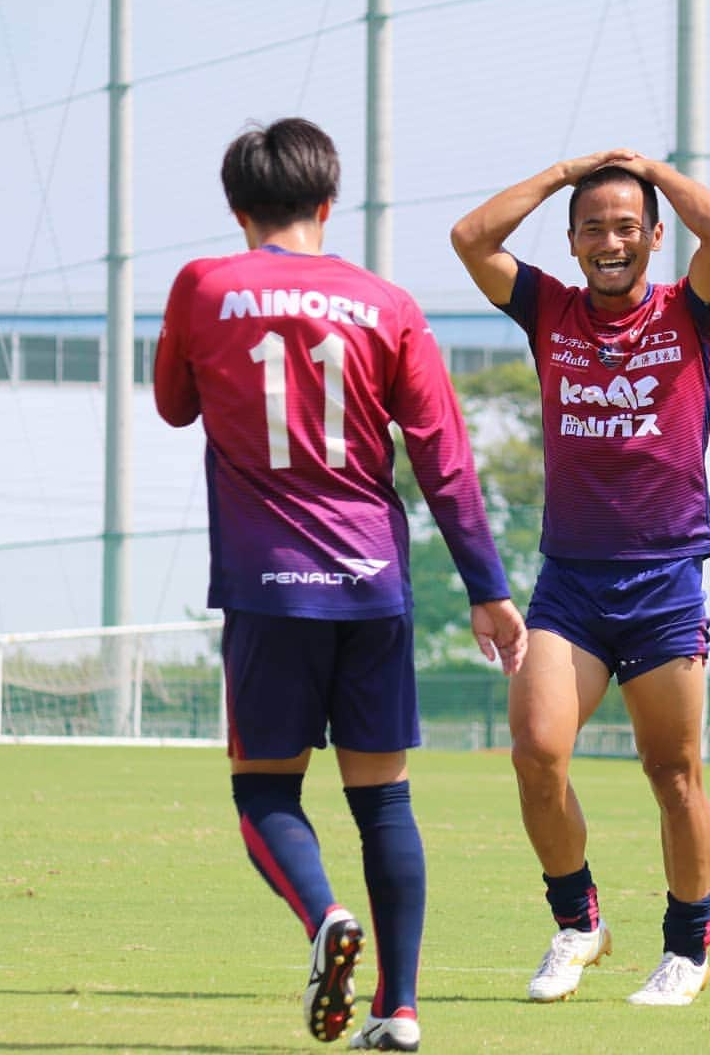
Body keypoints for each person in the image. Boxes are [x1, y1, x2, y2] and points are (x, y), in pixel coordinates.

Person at [154, 117, 527, 1050]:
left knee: (266, 796)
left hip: (267, 587)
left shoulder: (203, 285)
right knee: (385, 801)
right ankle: (399, 1011)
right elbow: (442, 457)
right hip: (372, 585)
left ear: (237, 209)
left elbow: (171, 406)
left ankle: (324, 918)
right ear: (330, 202)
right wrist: (487, 585)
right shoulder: (388, 303)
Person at [450, 150, 710, 1006]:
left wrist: (650, 167)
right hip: (571, 583)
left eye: (626, 227)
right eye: (593, 228)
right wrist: (565, 171)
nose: (610, 242)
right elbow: (471, 237)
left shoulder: (693, 310)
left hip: (664, 579)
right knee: (537, 753)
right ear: (573, 242)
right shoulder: (550, 310)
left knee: (672, 773)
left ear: (654, 235)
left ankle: (686, 950)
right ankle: (579, 923)